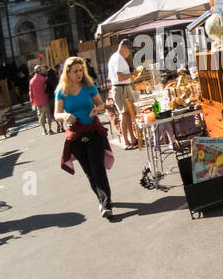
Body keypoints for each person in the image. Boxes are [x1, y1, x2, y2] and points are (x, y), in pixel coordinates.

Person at [55, 56, 114, 220]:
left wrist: (97, 109)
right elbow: (56, 114)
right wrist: (65, 116)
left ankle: (106, 204)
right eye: (75, 71)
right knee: (89, 172)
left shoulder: (89, 86)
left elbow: (101, 104)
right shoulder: (62, 90)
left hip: (93, 131)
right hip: (76, 136)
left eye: (81, 70)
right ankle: (102, 199)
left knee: (98, 169)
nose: (79, 73)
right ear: (68, 73)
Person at [108, 38, 141, 149]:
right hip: (120, 88)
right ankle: (126, 141)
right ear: (124, 48)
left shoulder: (118, 58)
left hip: (123, 88)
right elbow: (120, 77)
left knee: (128, 114)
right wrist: (132, 74)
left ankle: (132, 138)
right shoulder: (117, 58)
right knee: (124, 115)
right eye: (129, 51)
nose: (129, 53)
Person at [29, 66, 53, 135]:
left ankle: (44, 130)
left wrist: (32, 102)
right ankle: (50, 129)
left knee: (40, 116)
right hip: (45, 100)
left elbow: (31, 93)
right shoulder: (43, 79)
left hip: (37, 102)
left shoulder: (31, 81)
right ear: (40, 71)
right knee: (48, 114)